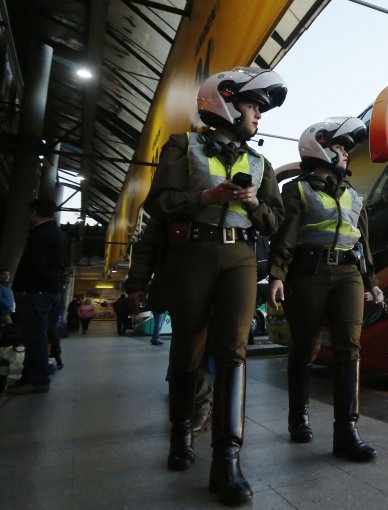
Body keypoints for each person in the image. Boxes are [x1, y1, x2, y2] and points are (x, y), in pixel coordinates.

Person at [144, 67, 286, 506]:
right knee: (187, 345)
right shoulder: (182, 146)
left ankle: (227, 460)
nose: (258, 116)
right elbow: (159, 204)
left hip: (241, 259)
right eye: (252, 106)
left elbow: (276, 223)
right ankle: (179, 436)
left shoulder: (261, 163)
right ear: (225, 101)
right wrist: (204, 199)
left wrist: (255, 202)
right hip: (193, 255)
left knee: (233, 351)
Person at [268, 117, 384, 462]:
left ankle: (347, 430)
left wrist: (372, 282)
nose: (346, 154)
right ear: (319, 148)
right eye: (340, 147)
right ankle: (298, 415)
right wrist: (277, 274)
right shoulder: (296, 189)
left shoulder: (353, 195)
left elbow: (363, 242)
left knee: (350, 347)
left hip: (348, 274)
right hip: (307, 274)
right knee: (306, 347)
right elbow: (284, 237)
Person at [124, 218, 213, 432]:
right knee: (191, 345)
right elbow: (149, 243)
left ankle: (211, 408)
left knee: (222, 348)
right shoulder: (173, 199)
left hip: (227, 279)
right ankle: (198, 406)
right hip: (183, 282)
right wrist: (137, 282)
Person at [7, 198, 67, 395]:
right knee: (39, 335)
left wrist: (21, 287)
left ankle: (36, 379)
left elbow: (34, 266)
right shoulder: (59, 234)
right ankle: (34, 376)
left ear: (34, 212)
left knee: (35, 337)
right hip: (53, 291)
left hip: (38, 293)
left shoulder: (41, 235)